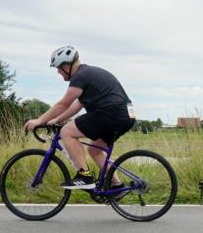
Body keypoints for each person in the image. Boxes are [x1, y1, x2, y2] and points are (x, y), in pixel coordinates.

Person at [23, 46, 136, 189]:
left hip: (110, 113)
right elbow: (77, 105)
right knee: (95, 150)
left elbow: (64, 103)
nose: (58, 72)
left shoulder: (80, 76)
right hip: (126, 116)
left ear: (66, 65)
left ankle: (84, 176)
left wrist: (40, 120)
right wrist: (56, 120)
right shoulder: (89, 74)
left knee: (66, 132)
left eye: (58, 68)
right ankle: (117, 186)